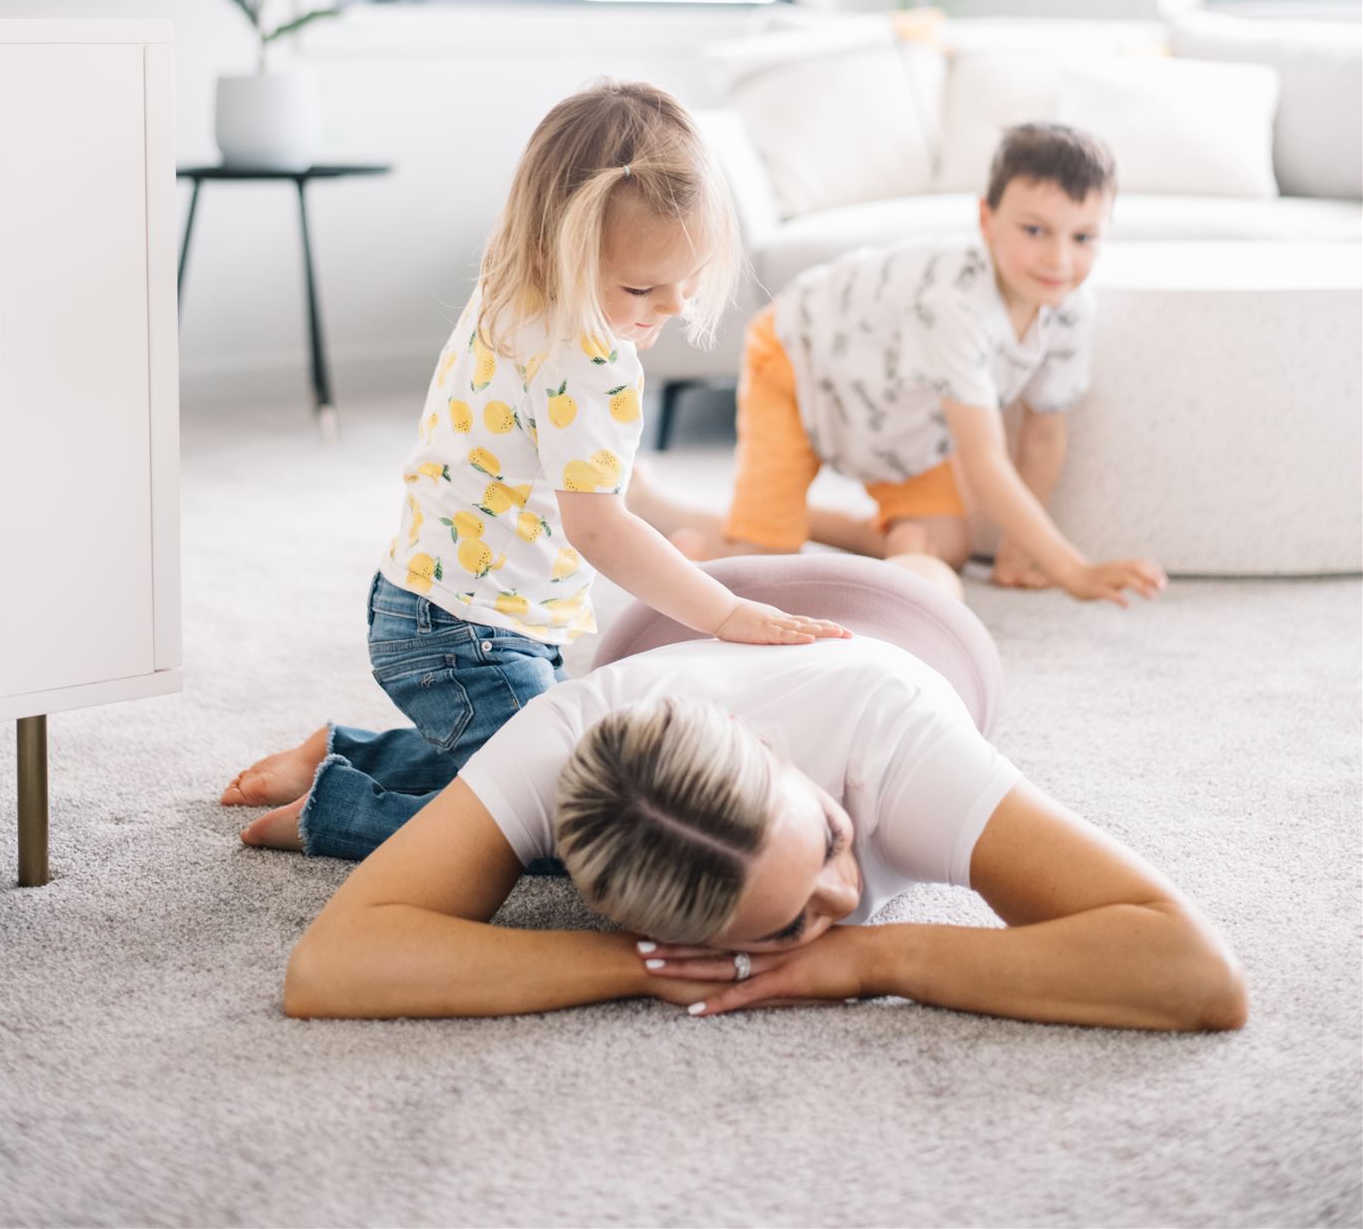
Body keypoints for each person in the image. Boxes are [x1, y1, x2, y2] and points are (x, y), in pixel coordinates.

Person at [220, 82, 846, 860]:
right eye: (642, 288)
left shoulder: (508, 286)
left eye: (688, 278)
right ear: (560, 250)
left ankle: (347, 750)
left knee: (512, 756)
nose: (674, 306)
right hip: (465, 633)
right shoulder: (591, 366)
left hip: (436, 604)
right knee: (561, 822)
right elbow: (599, 526)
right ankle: (338, 810)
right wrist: (721, 613)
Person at [279, 558, 1247, 1031]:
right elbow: (329, 964)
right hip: (660, 635)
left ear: (774, 755)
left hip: (901, 629)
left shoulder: (899, 749)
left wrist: (879, 955)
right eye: (783, 927)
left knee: (927, 564)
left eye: (827, 834)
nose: (845, 886)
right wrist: (630, 965)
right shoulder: (567, 738)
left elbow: (1197, 971)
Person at [634, 122, 1165, 608]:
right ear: (987, 220)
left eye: (1083, 238)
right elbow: (984, 461)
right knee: (761, 560)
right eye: (1034, 231)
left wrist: (1019, 552)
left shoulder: (1069, 308)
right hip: (799, 360)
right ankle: (664, 509)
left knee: (947, 547)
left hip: (898, 413)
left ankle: (794, 519)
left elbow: (1045, 434)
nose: (1059, 260)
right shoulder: (957, 306)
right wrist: (1073, 570)